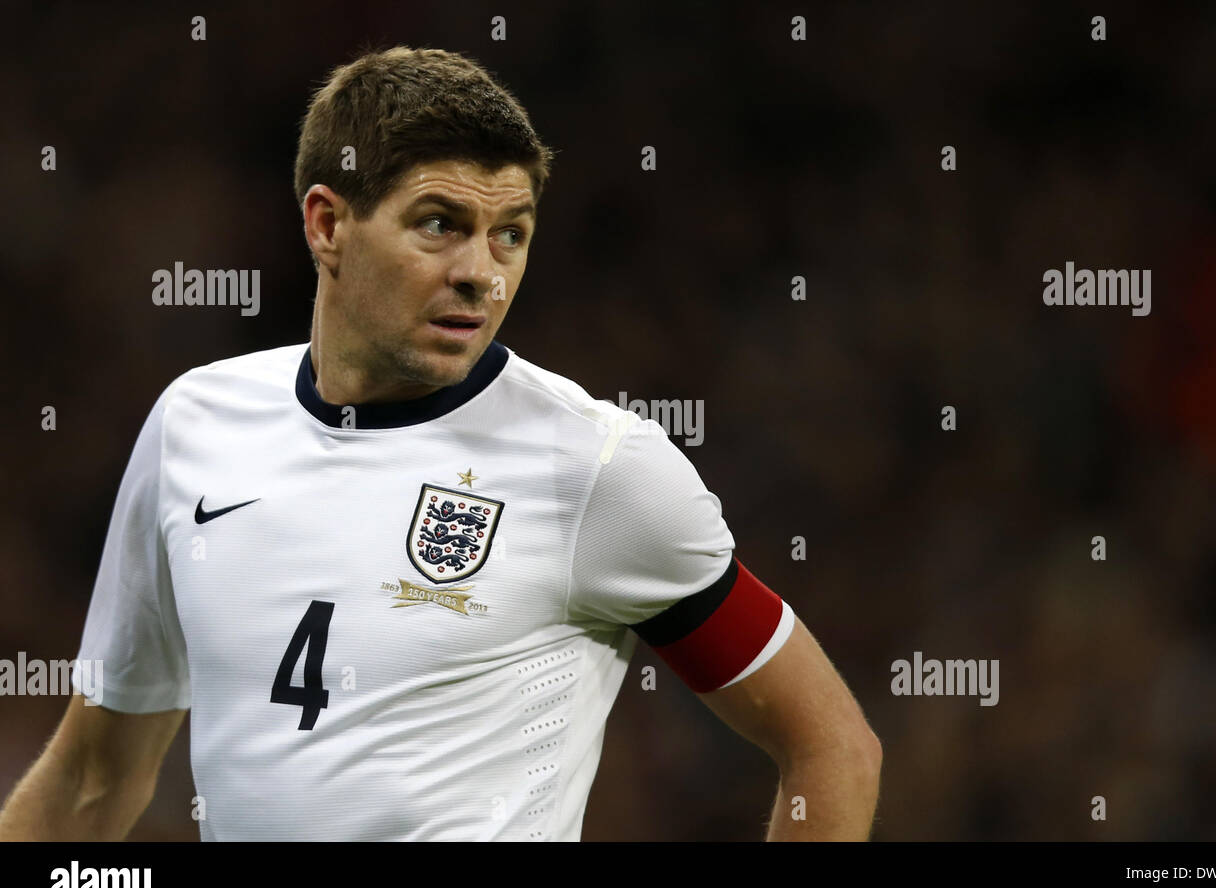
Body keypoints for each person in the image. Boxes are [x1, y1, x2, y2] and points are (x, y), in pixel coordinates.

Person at [0, 46, 880, 841]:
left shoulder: (598, 469)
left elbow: (832, 748)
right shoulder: (194, 423)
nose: (482, 272)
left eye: (512, 234)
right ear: (327, 224)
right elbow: (91, 779)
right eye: (439, 223)